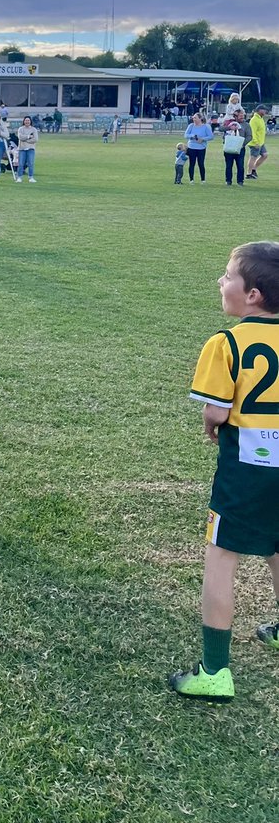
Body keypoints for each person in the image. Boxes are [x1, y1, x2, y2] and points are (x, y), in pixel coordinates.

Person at [171, 242, 279, 702]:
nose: (221, 281)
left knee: (221, 556)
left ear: (251, 295)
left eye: (227, 276)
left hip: (247, 467)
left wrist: (209, 425)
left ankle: (214, 670)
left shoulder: (227, 342)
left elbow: (216, 413)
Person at [222, 109, 251, 187]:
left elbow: (249, 136)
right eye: (240, 116)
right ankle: (228, 181)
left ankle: (240, 181)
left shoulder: (246, 125)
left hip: (240, 149)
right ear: (235, 116)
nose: (242, 117)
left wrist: (242, 144)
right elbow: (221, 128)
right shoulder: (228, 122)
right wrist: (229, 128)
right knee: (228, 165)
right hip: (228, 148)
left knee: (240, 165)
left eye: (243, 116)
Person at [184, 113, 213, 183]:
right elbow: (186, 135)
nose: (194, 119)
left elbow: (211, 136)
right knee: (192, 164)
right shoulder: (191, 126)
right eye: (193, 118)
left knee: (201, 163)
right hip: (191, 147)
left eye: (195, 118)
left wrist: (202, 139)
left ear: (200, 119)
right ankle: (191, 179)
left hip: (201, 148)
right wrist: (192, 135)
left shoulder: (205, 127)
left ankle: (203, 179)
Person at [247, 104, 269, 181]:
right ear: (259, 110)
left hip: (261, 142)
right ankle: (249, 173)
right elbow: (252, 132)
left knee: (265, 155)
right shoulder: (254, 119)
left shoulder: (261, 118)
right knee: (253, 157)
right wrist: (255, 142)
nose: (265, 111)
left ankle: (254, 169)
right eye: (264, 110)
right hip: (255, 142)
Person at [15, 116, 38, 183]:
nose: (27, 122)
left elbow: (35, 139)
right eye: (26, 120)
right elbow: (20, 137)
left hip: (31, 149)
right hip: (22, 149)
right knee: (21, 163)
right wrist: (28, 137)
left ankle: (31, 177)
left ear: (30, 121)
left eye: (28, 120)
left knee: (30, 163)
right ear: (24, 121)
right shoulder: (20, 129)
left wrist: (26, 141)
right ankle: (19, 177)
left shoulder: (34, 129)